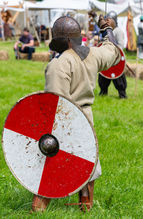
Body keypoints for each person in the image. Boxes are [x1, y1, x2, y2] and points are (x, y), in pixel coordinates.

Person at [31, 15, 121, 212]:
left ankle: (39, 207)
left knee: (50, 163)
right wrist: (108, 29)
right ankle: (85, 205)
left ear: (58, 40)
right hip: (86, 119)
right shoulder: (93, 55)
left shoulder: (58, 64)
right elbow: (112, 50)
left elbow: (55, 103)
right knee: (87, 161)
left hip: (64, 121)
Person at [98, 11, 127, 98]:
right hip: (107, 57)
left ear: (114, 20)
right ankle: (103, 92)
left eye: (109, 20)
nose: (107, 21)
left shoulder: (118, 31)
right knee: (103, 76)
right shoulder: (107, 30)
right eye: (106, 20)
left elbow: (121, 46)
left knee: (118, 78)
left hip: (115, 59)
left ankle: (122, 94)